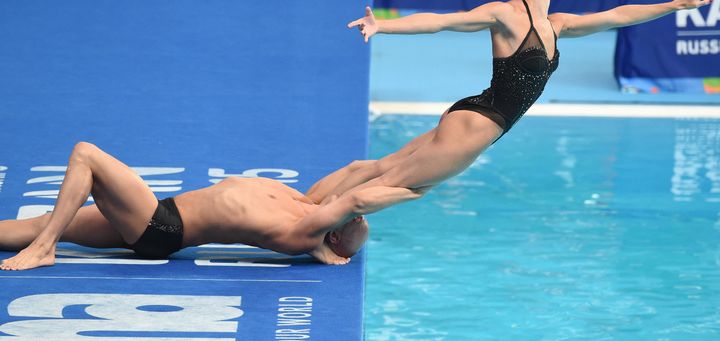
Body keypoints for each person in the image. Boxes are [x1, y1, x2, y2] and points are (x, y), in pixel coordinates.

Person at [306, 0, 718, 204]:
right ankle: (314, 228)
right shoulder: (507, 14)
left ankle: (309, 203)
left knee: (383, 168)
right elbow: (444, 21)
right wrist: (384, 26)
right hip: (477, 124)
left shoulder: (558, 24)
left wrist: (677, 5)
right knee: (402, 186)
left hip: (475, 115)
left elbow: (616, 16)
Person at [0, 142, 423, 271]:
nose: (358, 212)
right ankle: (42, 239)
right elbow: (361, 171)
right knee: (32, 224)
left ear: (331, 230)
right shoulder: (306, 202)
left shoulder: (299, 233)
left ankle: (45, 250)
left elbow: (356, 197)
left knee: (85, 155)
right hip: (157, 215)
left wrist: (419, 191)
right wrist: (427, 153)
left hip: (159, 227)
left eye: (354, 221)